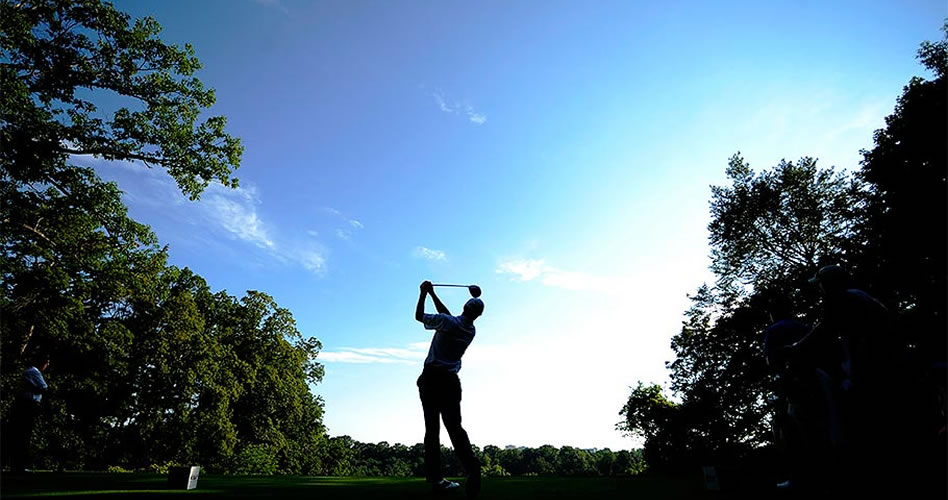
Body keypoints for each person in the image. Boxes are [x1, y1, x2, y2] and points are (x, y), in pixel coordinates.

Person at [415, 280, 483, 497]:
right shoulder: (470, 329)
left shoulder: (448, 322)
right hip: (451, 382)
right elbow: (447, 317)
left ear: (464, 307)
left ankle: (436, 479)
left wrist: (423, 293)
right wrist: (433, 294)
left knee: (432, 430)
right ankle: (472, 468)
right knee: (455, 428)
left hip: (431, 379)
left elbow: (419, 316)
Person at [10, 353, 49, 473]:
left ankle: (18, 464)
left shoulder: (31, 371)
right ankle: (18, 465)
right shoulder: (34, 371)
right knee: (23, 435)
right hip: (27, 405)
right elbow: (44, 388)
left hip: (26, 405)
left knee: (23, 435)